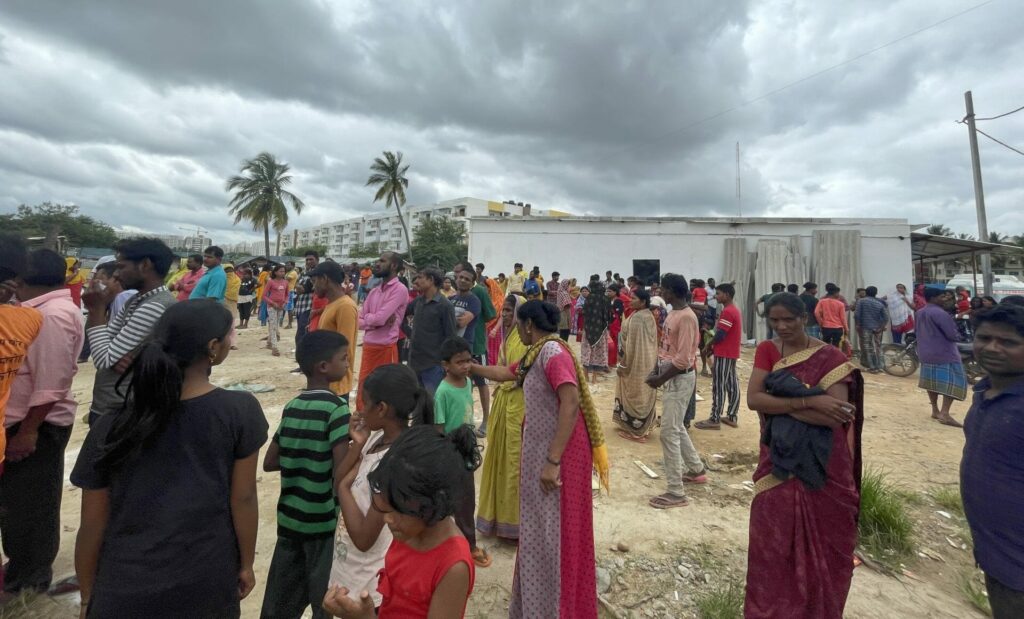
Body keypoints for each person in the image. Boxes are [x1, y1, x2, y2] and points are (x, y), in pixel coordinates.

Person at [71, 300, 269, 617]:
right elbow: (243, 497)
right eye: (230, 335)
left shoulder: (111, 425)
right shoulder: (239, 411)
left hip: (123, 585)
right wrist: (245, 564)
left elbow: (92, 523)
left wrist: (87, 597)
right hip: (205, 578)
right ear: (213, 348)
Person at [470, 300, 607, 618]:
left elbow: (570, 402)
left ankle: (554, 608)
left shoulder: (553, 353)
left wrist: (552, 460)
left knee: (552, 534)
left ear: (529, 324)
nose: (516, 328)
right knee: (538, 531)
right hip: (545, 456)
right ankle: (537, 606)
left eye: (518, 323)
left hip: (559, 458)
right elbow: (506, 372)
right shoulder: (535, 354)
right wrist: (471, 368)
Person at [744, 292, 863, 619]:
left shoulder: (832, 358)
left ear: (806, 319)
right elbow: (754, 399)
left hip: (822, 466)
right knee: (772, 545)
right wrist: (808, 402)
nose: (781, 326)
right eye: (774, 320)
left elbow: (833, 417)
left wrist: (780, 406)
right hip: (778, 461)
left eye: (789, 320)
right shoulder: (768, 350)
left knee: (825, 545)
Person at [321, 425, 477, 618]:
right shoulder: (407, 533)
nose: (387, 519)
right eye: (386, 508)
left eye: (397, 510)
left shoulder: (453, 566)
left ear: (433, 504)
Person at [0, 250, 81, 600]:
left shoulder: (53, 315)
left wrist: (28, 432)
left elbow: (51, 384)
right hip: (23, 423)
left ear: (22, 279)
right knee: (19, 503)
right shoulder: (38, 311)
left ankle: (28, 580)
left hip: (35, 426)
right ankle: (21, 568)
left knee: (30, 506)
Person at [261, 330, 351, 619]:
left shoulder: (292, 406)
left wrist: (302, 460)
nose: (348, 364)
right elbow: (341, 471)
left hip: (289, 518)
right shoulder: (337, 409)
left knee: (281, 596)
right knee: (323, 598)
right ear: (323, 367)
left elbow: (270, 461)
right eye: (344, 358)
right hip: (321, 522)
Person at [328, 364, 425, 609]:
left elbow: (363, 538)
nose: (359, 409)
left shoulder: (396, 461)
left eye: (365, 402)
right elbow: (340, 478)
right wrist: (357, 444)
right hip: (349, 568)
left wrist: (343, 490)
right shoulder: (374, 438)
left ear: (381, 408)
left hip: (369, 586)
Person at [961, 305, 1024, 617]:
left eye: (1008, 342)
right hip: (996, 556)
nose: (991, 348)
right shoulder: (985, 391)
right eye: (984, 338)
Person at [83, 238, 177, 423]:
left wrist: (96, 310)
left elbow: (103, 359)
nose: (116, 275)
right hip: (112, 405)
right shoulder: (136, 300)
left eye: (121, 267)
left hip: (122, 410)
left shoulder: (155, 305)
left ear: (144, 265)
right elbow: (104, 347)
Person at [646, 274, 707, 508]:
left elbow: (682, 359)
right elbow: (666, 348)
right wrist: (657, 369)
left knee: (668, 432)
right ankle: (696, 469)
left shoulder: (687, 318)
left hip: (679, 380)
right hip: (670, 377)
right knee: (676, 426)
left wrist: (660, 379)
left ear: (673, 291)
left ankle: (676, 492)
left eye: (663, 289)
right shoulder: (673, 314)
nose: (660, 293)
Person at [434, 337, 491, 568]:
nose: (466, 366)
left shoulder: (468, 383)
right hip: (451, 450)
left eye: (469, 361)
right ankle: (450, 544)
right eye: (460, 362)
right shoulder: (442, 393)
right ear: (445, 365)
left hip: (468, 449)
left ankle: (469, 544)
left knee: (467, 500)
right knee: (450, 499)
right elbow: (439, 428)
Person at [476, 295, 528, 541]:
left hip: (518, 404)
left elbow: (516, 373)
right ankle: (499, 521)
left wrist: (475, 368)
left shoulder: (524, 339)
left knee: (514, 462)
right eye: (503, 310)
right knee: (500, 459)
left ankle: (516, 525)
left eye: (509, 310)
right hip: (504, 401)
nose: (505, 315)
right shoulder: (509, 336)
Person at [355, 252, 408, 413]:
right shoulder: (374, 292)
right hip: (369, 348)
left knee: (383, 395)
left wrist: (372, 320)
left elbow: (377, 319)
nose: (377, 263)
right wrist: (375, 321)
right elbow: (359, 321)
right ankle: (363, 428)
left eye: (382, 261)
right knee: (363, 391)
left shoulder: (400, 290)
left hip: (385, 349)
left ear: (393, 266)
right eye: (378, 260)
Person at [452, 264, 496, 435]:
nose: (459, 277)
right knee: (465, 383)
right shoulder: (453, 297)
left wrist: (475, 321)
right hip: (460, 346)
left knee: (481, 382)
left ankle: (485, 421)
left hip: (476, 343)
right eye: (457, 274)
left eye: (462, 274)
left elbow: (491, 313)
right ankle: (466, 421)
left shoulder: (479, 293)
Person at [916, 287, 967, 427]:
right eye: (943, 296)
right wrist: (960, 336)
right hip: (944, 352)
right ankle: (945, 413)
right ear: (933, 298)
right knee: (954, 381)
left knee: (931, 382)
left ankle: (935, 409)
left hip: (926, 351)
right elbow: (952, 335)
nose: (946, 299)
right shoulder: (940, 313)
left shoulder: (920, 312)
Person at [613, 289, 659, 442]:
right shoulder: (647, 315)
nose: (630, 300)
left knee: (635, 392)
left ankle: (637, 432)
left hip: (636, 362)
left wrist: (624, 364)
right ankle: (643, 427)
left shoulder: (639, 318)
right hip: (648, 360)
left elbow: (632, 346)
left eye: (634, 298)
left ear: (643, 301)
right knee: (643, 391)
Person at [309, 262, 359, 398]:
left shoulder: (345, 306)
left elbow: (344, 348)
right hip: (326, 382)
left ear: (325, 279)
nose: (314, 287)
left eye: (315, 282)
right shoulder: (332, 304)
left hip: (337, 386)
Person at [697, 283, 743, 430]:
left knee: (719, 385)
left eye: (718, 294)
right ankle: (732, 416)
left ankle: (715, 418)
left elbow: (721, 334)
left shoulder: (728, 312)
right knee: (732, 383)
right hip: (731, 352)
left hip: (724, 352)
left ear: (727, 295)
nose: (715, 296)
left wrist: (707, 345)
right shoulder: (734, 310)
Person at [405, 267, 457, 395]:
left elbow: (450, 337)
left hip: (433, 366)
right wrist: (410, 333)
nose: (417, 281)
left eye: (421, 277)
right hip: (414, 363)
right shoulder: (418, 301)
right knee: (416, 404)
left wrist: (447, 365)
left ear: (431, 280)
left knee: (432, 405)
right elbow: (401, 315)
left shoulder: (445, 305)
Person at [293, 251, 321, 363]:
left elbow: (304, 289)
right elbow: (297, 288)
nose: (308, 261)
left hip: (310, 308)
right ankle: (303, 362)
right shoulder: (304, 272)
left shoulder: (318, 273)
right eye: (307, 260)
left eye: (311, 259)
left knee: (302, 336)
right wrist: (300, 288)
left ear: (317, 260)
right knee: (301, 335)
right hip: (300, 307)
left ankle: (305, 362)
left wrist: (301, 288)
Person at [581, 281, 611, 383]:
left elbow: (584, 312)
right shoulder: (606, 299)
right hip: (601, 330)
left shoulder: (589, 298)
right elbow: (609, 316)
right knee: (598, 353)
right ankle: (594, 378)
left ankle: (585, 376)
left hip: (588, 329)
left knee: (587, 351)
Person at [854, 286, 889, 373]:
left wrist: (857, 325)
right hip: (877, 328)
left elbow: (857, 314)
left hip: (866, 327)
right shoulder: (879, 303)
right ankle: (881, 366)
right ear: (876, 293)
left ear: (866, 292)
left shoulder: (861, 301)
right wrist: (881, 327)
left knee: (868, 347)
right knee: (878, 346)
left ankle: (872, 367)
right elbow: (886, 317)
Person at [262, 264, 289, 357]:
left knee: (276, 325)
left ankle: (269, 342)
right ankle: (274, 347)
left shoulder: (285, 282)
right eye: (280, 271)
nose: (282, 273)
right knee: (273, 326)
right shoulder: (271, 282)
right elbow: (264, 296)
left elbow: (287, 294)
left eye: (283, 271)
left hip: (281, 307)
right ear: (275, 272)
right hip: (272, 307)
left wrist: (285, 303)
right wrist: (273, 303)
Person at [815, 283, 847, 348]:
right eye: (838, 293)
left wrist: (821, 323)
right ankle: (834, 357)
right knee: (836, 345)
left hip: (826, 327)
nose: (839, 295)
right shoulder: (840, 304)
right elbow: (843, 318)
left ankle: (826, 357)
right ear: (835, 293)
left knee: (825, 344)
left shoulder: (821, 301)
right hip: (838, 328)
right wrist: (846, 328)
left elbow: (816, 313)